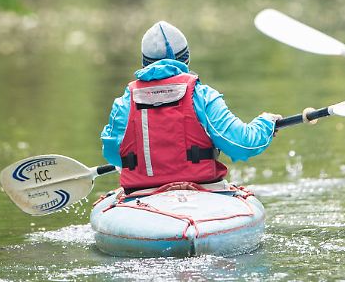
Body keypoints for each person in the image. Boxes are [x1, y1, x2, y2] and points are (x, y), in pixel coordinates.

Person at [100, 21, 281, 194]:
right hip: (203, 191)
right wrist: (266, 123)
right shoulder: (202, 96)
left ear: (144, 63)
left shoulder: (124, 102)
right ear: (186, 59)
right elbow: (242, 144)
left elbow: (113, 154)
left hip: (141, 195)